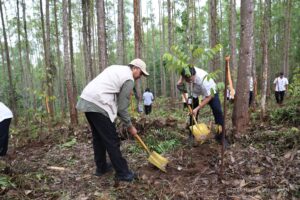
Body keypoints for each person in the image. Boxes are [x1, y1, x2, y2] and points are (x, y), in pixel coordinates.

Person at [76, 58, 149, 182]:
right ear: (135, 68)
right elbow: (122, 108)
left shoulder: (116, 68)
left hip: (86, 100)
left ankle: (101, 167)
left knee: (98, 137)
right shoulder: (129, 78)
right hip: (98, 103)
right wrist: (130, 126)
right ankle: (123, 173)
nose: (140, 76)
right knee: (112, 139)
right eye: (141, 73)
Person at [177, 66, 229, 147]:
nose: (188, 82)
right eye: (186, 80)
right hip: (196, 92)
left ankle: (221, 137)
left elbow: (209, 96)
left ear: (194, 75)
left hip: (211, 92)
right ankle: (192, 134)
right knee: (192, 113)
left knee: (217, 111)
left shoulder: (204, 80)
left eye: (190, 80)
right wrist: (180, 80)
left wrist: (197, 108)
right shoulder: (188, 70)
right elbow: (183, 71)